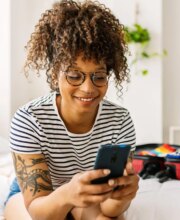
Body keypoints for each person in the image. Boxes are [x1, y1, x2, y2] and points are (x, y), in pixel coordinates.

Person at [4, 0, 139, 219]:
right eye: (74, 75)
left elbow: (110, 211)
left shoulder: (119, 120)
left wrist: (122, 197)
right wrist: (68, 193)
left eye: (99, 76)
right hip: (35, 200)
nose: (88, 88)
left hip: (89, 194)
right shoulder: (29, 119)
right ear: (55, 72)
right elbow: (40, 212)